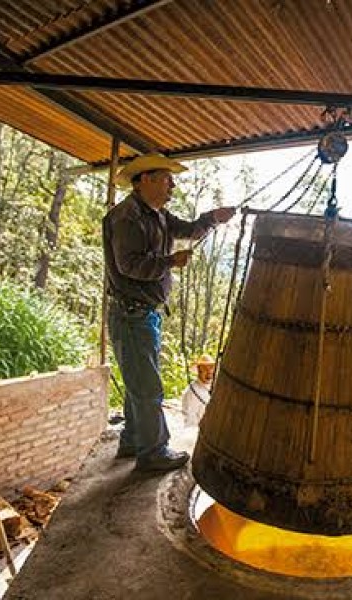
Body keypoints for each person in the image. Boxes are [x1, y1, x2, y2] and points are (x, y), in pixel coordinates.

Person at [104, 154, 235, 471]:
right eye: (166, 178)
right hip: (130, 314)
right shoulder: (127, 217)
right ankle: (153, 453)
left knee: (139, 380)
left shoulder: (157, 215)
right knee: (148, 386)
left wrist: (214, 217)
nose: (172, 184)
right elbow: (129, 265)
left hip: (144, 313)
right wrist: (169, 262)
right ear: (145, 179)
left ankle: (133, 440)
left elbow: (189, 229)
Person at [181, 354, 215, 427]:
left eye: (211, 368)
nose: (209, 372)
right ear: (199, 370)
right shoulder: (192, 392)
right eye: (205, 369)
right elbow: (189, 421)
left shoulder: (215, 387)